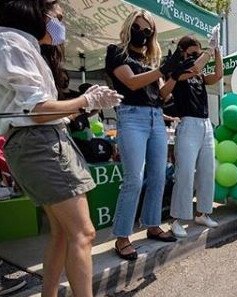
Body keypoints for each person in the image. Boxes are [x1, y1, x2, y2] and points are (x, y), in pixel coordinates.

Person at [0, 1, 122, 296]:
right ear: (36, 13)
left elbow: (39, 109)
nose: (61, 25)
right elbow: (37, 110)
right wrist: (85, 101)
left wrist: (83, 104)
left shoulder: (21, 43)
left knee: (62, 234)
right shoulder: (12, 42)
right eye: (58, 17)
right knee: (83, 233)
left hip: (39, 139)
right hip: (40, 141)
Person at [105, 9, 193, 260]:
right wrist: (164, 68)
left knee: (158, 176)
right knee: (134, 178)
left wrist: (175, 75)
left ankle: (152, 225)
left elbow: (162, 95)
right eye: (138, 27)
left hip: (156, 117)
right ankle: (122, 237)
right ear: (129, 26)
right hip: (131, 116)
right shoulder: (116, 52)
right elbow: (132, 83)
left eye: (147, 30)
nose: (142, 33)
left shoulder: (151, 60)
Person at [159, 31, 223, 238]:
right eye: (192, 52)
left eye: (198, 52)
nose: (196, 56)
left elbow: (218, 76)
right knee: (185, 173)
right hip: (187, 124)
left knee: (207, 171)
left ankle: (202, 212)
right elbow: (195, 67)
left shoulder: (199, 76)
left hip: (205, 124)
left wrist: (217, 51)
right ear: (183, 53)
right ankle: (176, 219)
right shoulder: (179, 71)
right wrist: (208, 51)